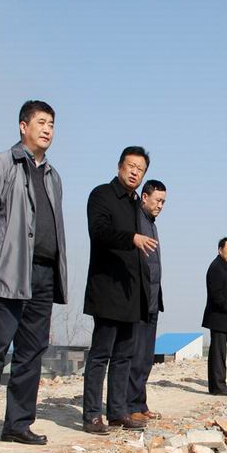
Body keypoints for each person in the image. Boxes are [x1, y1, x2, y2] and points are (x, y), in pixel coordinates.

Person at [0, 100, 68, 452]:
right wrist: (0, 254)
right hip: (9, 273)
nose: (47, 129)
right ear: (23, 126)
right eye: (41, 122)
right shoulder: (2, 163)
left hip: (43, 274)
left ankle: (18, 424)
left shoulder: (53, 176)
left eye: (52, 124)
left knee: (31, 352)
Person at [82, 146, 156, 433]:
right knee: (101, 354)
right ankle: (91, 414)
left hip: (131, 292)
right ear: (119, 167)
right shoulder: (101, 195)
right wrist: (132, 238)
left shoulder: (136, 203)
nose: (135, 172)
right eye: (131, 166)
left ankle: (117, 412)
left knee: (124, 355)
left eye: (141, 169)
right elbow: (99, 232)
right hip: (107, 288)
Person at [127, 180, 167, 423]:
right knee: (135, 355)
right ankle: (130, 404)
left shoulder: (151, 224)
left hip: (153, 299)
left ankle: (140, 403)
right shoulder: (135, 219)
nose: (161, 205)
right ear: (144, 197)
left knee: (145, 357)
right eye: (158, 200)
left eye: (164, 202)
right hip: (139, 300)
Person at [202, 237, 227, 396]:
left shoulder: (224, 267)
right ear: (220, 250)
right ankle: (218, 386)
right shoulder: (216, 267)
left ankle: (218, 385)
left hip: (223, 318)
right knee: (218, 353)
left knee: (219, 352)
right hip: (218, 317)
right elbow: (216, 295)